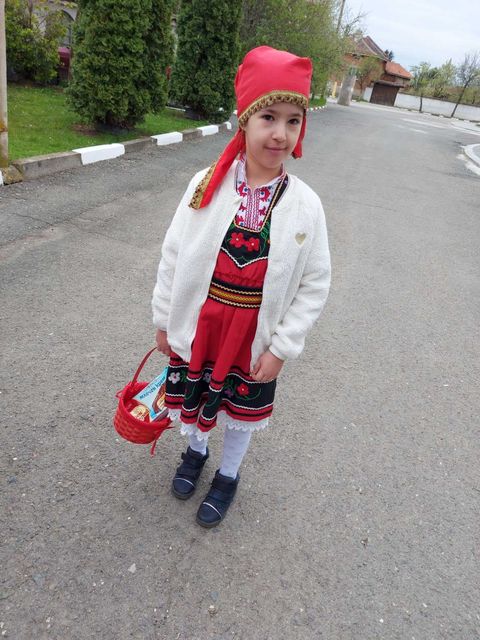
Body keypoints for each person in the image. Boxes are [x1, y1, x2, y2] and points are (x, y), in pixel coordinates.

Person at [152, 46, 331, 528]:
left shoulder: (305, 206)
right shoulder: (205, 185)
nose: (280, 133)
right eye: (269, 117)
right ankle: (195, 450)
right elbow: (174, 254)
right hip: (204, 322)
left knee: (239, 408)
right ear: (244, 119)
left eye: (293, 121)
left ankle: (228, 474)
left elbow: (315, 282)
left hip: (254, 335)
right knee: (199, 397)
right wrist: (164, 319)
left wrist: (283, 347)